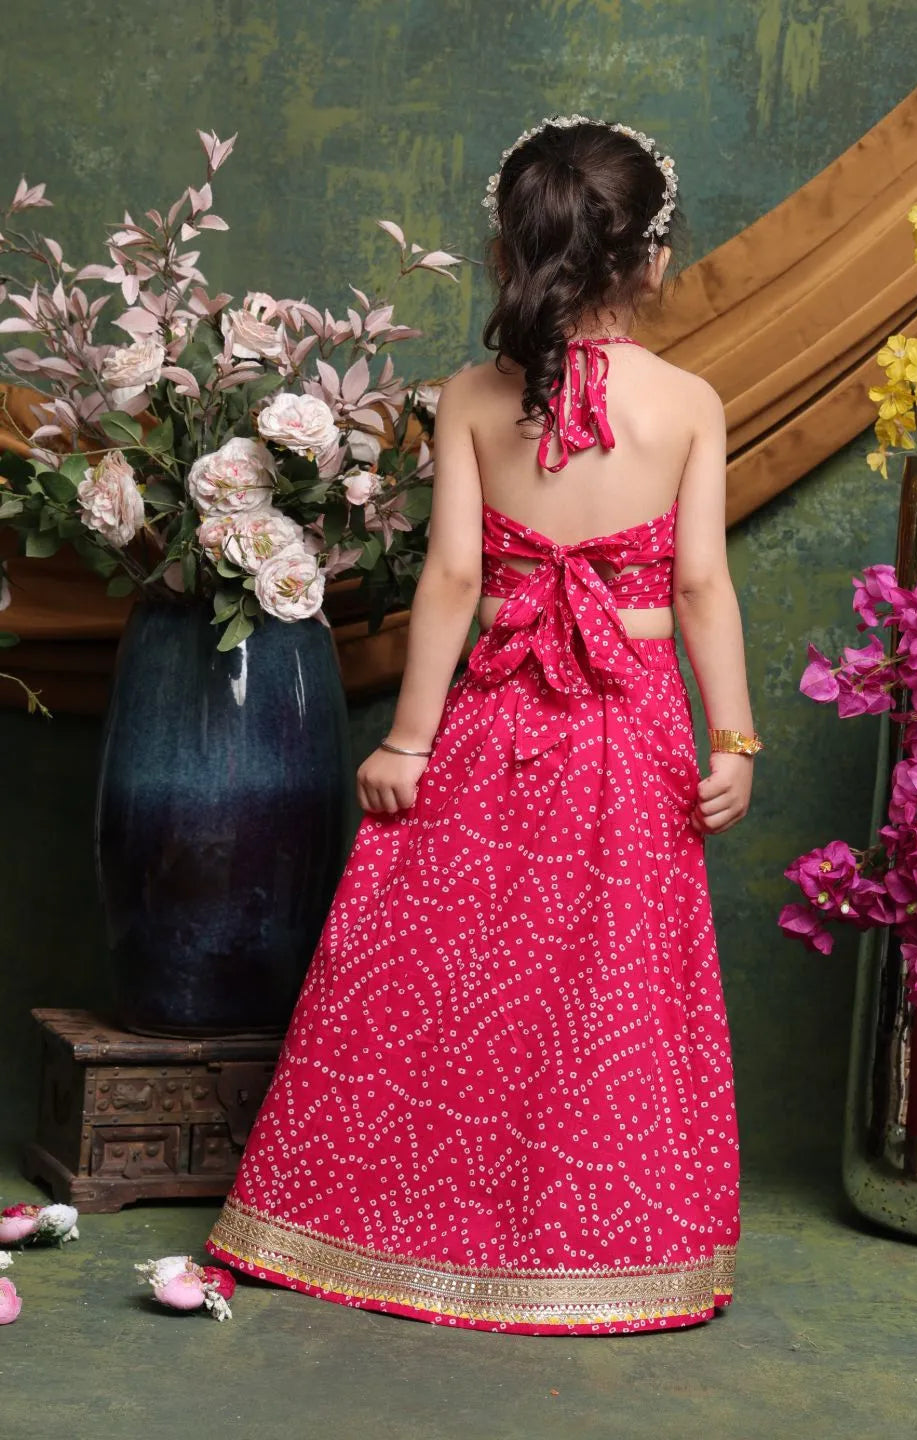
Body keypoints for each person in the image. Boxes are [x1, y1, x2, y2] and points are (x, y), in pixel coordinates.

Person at [205, 113, 758, 1336]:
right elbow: (701, 586)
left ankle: (395, 1228)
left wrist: (406, 740)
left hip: (495, 715)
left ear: (509, 253)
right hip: (632, 721)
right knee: (609, 982)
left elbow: (450, 581)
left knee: (453, 970)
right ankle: (596, 1250)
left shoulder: (469, 395)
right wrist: (736, 742)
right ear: (652, 260)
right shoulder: (690, 402)